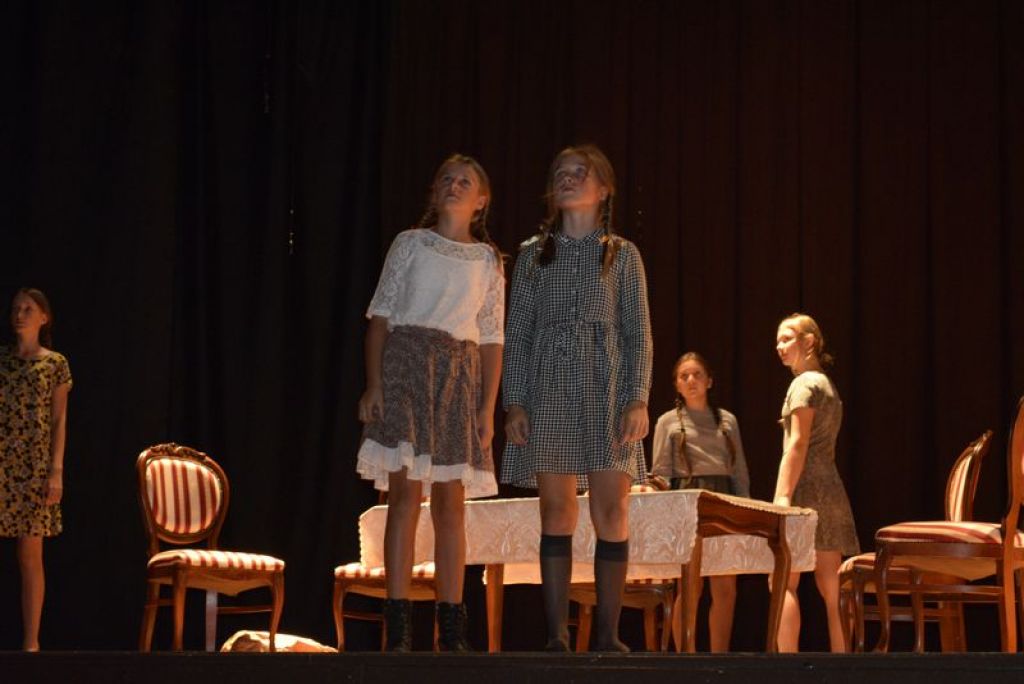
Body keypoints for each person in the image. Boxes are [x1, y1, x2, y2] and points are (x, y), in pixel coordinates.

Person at [502, 144, 653, 652]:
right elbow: (518, 333)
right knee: (556, 512)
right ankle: (556, 636)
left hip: (606, 390)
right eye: (561, 172)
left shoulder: (623, 255)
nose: (567, 179)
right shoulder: (532, 255)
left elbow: (638, 332)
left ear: (604, 189)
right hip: (548, 388)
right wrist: (515, 401)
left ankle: (607, 635)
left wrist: (637, 397)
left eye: (580, 173)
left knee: (611, 511)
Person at [355, 154, 505, 652]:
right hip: (406, 369)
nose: (454, 186)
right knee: (404, 496)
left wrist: (486, 409)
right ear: (434, 190)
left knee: (451, 504)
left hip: (457, 379)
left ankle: (452, 628)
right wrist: (374, 385)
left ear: (481, 201)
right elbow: (380, 318)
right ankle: (398, 625)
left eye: (465, 182)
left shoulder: (487, 261)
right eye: (446, 179)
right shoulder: (411, 243)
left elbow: (492, 339)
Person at [650, 351, 749, 652]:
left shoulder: (727, 420)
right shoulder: (667, 421)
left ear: (709, 381)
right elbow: (660, 471)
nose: (691, 380)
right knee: (690, 585)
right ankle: (687, 656)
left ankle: (720, 658)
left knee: (726, 586)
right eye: (684, 376)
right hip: (687, 502)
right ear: (676, 385)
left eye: (697, 375)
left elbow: (739, 471)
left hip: (723, 501)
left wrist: (745, 511)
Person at [773, 313, 859, 652]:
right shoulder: (827, 385)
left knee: (782, 581)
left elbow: (798, 443)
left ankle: (787, 668)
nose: (780, 346)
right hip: (831, 490)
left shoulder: (804, 384)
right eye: (777, 341)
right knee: (833, 588)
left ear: (809, 341)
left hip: (805, 488)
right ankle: (844, 665)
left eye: (787, 338)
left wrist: (782, 496)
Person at [0, 288, 72, 651]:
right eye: (16, 308)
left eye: (28, 309)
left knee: (30, 557)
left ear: (44, 317)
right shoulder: (2, 360)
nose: (19, 314)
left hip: (32, 469)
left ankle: (32, 643)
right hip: (2, 462)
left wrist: (55, 471)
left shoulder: (55, 363)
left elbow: (59, 421)